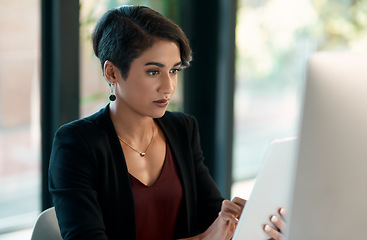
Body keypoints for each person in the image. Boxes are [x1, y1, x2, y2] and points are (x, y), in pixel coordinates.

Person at [48, 5, 285, 240]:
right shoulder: (76, 144)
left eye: (173, 71)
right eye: (153, 72)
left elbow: (212, 216)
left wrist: (247, 224)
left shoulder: (182, 129)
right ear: (112, 73)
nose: (169, 87)